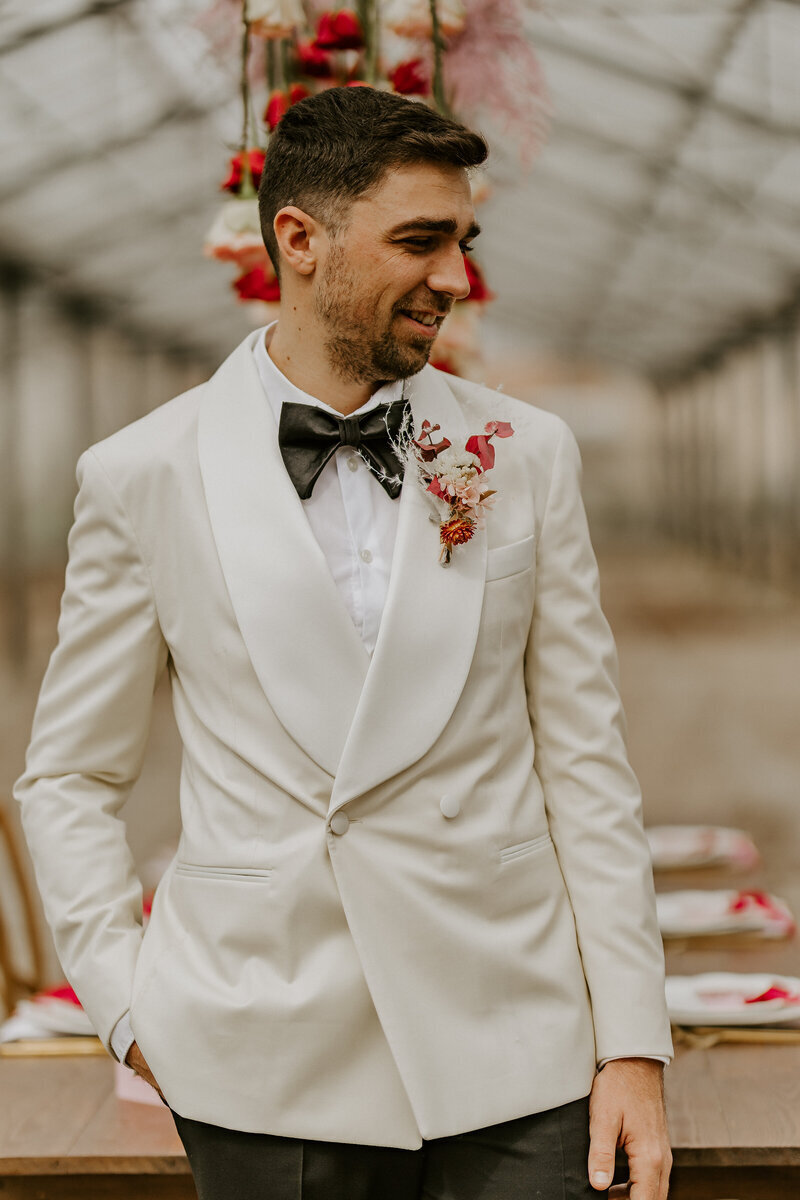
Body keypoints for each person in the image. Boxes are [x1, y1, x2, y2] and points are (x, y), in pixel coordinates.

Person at [15, 87, 673, 1199]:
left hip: (515, 1042)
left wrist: (632, 1042)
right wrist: (131, 1008)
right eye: (418, 241)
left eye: (462, 242)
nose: (455, 279)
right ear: (299, 241)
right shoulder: (142, 475)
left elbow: (585, 766)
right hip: (263, 1057)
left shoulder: (526, 453)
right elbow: (70, 774)